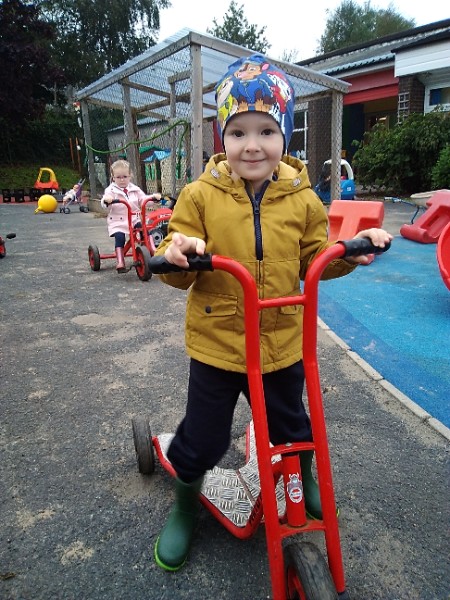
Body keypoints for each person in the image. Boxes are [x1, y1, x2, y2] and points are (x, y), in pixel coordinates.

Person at [153, 54, 393, 572]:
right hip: (219, 345)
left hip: (281, 343)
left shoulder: (302, 198)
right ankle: (185, 506)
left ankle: (304, 477)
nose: (252, 145)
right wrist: (177, 253)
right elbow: (176, 256)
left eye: (266, 130)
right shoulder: (199, 196)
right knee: (203, 438)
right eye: (238, 132)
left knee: (293, 426)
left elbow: (314, 260)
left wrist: (347, 252)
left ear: (284, 135)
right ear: (222, 138)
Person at [100, 159, 159, 272]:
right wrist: (107, 201)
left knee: (144, 230)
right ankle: (120, 261)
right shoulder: (110, 190)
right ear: (113, 177)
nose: (122, 180)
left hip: (133, 219)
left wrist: (153, 198)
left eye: (124, 176)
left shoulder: (135, 189)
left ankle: (152, 249)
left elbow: (143, 199)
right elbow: (104, 202)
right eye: (118, 177)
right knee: (120, 237)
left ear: (130, 176)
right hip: (118, 221)